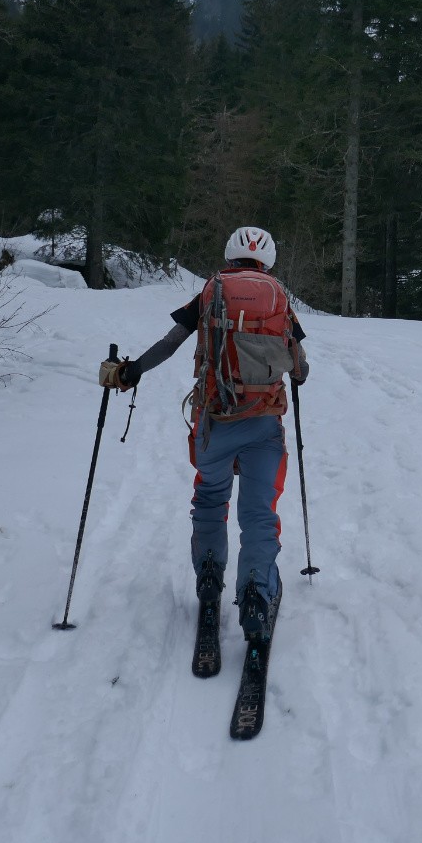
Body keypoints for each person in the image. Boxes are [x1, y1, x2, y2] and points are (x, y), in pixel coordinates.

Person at [99, 226, 309, 678]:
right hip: (264, 425)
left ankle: (210, 576)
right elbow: (299, 367)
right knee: (258, 514)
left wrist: (130, 371)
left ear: (230, 254)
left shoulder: (211, 291)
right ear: (267, 260)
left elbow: (172, 343)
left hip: (214, 424)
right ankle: (256, 593)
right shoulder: (279, 298)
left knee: (210, 500)